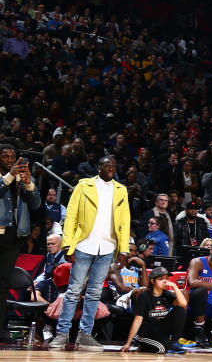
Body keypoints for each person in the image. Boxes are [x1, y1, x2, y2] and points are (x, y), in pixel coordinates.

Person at [51, 156, 131, 351]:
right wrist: (68, 245)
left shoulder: (121, 190)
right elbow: (71, 215)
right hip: (83, 245)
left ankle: (85, 334)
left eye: (113, 165)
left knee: (95, 293)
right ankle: (62, 334)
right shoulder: (84, 185)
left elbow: (125, 221)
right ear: (99, 167)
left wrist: (124, 249)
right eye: (106, 165)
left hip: (107, 248)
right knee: (73, 292)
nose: (110, 168)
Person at [0, 146, 42, 343]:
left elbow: (35, 204)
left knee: (2, 285)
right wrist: (9, 176)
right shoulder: (8, 177)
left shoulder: (20, 179)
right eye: (5, 156)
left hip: (13, 237)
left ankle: (1, 328)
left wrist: (28, 184)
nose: (10, 159)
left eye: (13, 156)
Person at [121, 266, 188, 354]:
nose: (165, 281)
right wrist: (128, 343)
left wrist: (175, 286)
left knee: (180, 310)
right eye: (161, 279)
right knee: (163, 348)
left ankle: (175, 342)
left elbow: (183, 304)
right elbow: (138, 320)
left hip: (159, 330)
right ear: (153, 281)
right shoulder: (144, 297)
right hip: (145, 332)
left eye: (166, 278)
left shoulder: (167, 294)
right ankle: (142, 344)